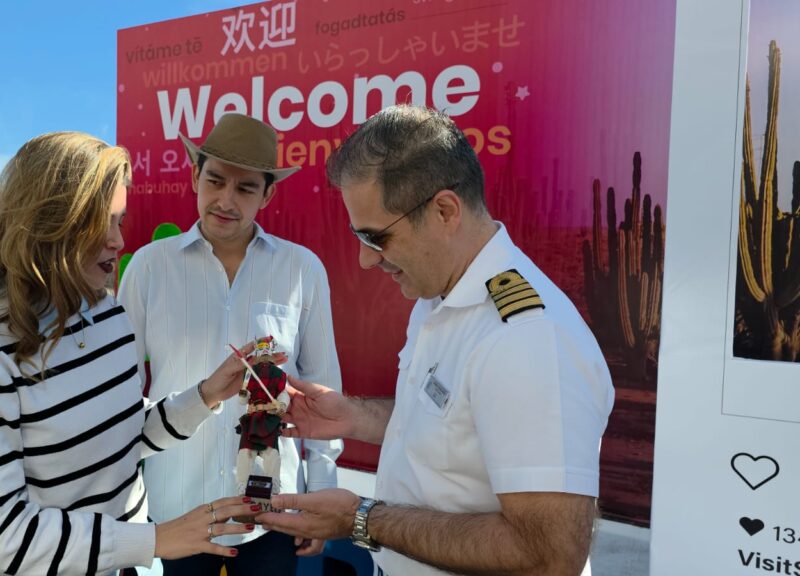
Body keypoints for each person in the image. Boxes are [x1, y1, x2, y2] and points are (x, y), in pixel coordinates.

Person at [256, 105, 615, 576]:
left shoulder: (529, 339)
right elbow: (451, 426)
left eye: (376, 236)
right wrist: (355, 416)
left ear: (444, 211)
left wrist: (363, 520)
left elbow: (550, 555)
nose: (366, 260)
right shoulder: (439, 295)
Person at [0, 132, 270, 576]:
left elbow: (122, 437)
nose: (120, 241)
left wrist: (204, 396)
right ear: (51, 224)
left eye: (122, 220)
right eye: (106, 222)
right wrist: (155, 540)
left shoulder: (105, 310)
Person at [118, 113, 343, 576]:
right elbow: (119, 390)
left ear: (268, 193)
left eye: (244, 188)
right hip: (176, 504)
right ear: (195, 175)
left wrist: (319, 497)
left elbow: (323, 390)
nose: (225, 200)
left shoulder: (302, 271)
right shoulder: (149, 267)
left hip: (272, 509)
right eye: (215, 180)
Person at [234, 336, 290, 496]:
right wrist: (243, 394)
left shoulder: (279, 374)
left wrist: (282, 404)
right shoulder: (249, 373)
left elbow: (283, 393)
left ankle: (274, 487)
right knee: (245, 452)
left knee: (272, 453)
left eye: (267, 347)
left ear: (271, 350)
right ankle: (242, 486)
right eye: (262, 347)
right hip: (252, 418)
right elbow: (242, 399)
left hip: (269, 418)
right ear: (258, 351)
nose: (265, 350)